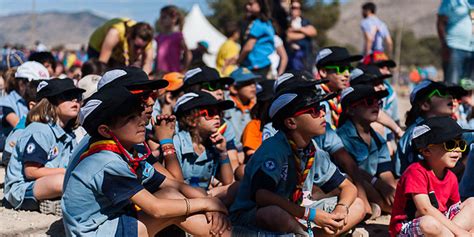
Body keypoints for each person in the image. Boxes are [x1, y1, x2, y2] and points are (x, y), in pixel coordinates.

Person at [62, 86, 232, 236]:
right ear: (106, 131)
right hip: (96, 231)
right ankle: (228, 233)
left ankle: (224, 231)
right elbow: (156, 209)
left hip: (110, 220)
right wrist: (206, 203)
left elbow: (174, 184)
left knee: (172, 195)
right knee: (172, 207)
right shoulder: (106, 161)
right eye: (130, 118)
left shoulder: (126, 150)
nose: (141, 121)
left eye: (138, 114)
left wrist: (210, 205)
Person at [230, 87, 365, 236]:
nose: (323, 113)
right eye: (314, 110)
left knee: (358, 205)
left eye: (321, 108)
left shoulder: (313, 150)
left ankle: (312, 235)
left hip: (297, 213)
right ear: (291, 122)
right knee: (273, 213)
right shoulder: (274, 150)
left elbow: (348, 187)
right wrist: (311, 215)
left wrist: (341, 208)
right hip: (252, 216)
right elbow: (263, 197)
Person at [3, 79, 84, 215]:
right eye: (68, 96)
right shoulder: (40, 130)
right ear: (50, 102)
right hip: (22, 189)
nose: (75, 100)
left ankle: (55, 201)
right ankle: (60, 201)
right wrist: (66, 171)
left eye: (78, 97)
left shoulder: (69, 134)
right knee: (62, 181)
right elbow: (31, 172)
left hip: (45, 185)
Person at [389, 116, 474, 237]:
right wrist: (460, 232)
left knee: (472, 202)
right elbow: (425, 209)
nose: (457, 150)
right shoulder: (415, 171)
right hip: (408, 227)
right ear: (427, 151)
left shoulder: (451, 177)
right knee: (428, 223)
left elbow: (455, 210)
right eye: (450, 144)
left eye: (460, 144)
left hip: (440, 226)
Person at [338, 85, 397, 213]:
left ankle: (387, 207)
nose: (376, 106)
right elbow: (352, 170)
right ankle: (382, 208)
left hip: (373, 183)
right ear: (351, 110)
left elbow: (385, 171)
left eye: (378, 102)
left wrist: (392, 189)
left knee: (397, 188)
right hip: (356, 184)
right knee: (361, 183)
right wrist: (378, 183)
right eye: (369, 102)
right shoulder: (342, 137)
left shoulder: (378, 139)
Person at [173, 91, 237, 205]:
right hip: (181, 196)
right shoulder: (177, 142)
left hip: (206, 194)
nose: (217, 117)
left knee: (236, 186)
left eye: (219, 113)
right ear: (191, 120)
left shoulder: (213, 143)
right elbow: (175, 183)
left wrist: (223, 152)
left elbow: (227, 181)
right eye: (210, 113)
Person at [394, 80, 455, 177]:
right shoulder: (417, 133)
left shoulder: (441, 128)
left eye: (450, 94)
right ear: (425, 105)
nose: (450, 97)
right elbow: (414, 175)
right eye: (441, 93)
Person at [0, 61, 50, 138]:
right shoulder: (6, 102)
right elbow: (20, 127)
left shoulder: (42, 100)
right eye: (36, 85)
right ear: (22, 84)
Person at [88, 18, 154, 74]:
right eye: (137, 47)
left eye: (143, 48)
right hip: (97, 49)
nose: (139, 51)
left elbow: (147, 67)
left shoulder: (146, 40)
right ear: (130, 37)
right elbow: (102, 63)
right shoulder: (115, 33)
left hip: (118, 51)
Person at [437, 0, 474, 84]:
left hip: (472, 50)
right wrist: (444, 46)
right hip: (454, 48)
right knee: (452, 85)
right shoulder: (450, 1)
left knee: (469, 86)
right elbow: (440, 22)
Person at [225, 67, 260, 150]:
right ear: (234, 89)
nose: (253, 86)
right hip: (231, 151)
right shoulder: (225, 106)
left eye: (254, 82)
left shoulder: (257, 105)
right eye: (247, 83)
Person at [238, 0, 275, 77]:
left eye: (251, 4)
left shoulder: (258, 24)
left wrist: (239, 61)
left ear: (260, 5)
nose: (248, 6)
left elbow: (248, 47)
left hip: (256, 65)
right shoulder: (267, 23)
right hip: (265, 63)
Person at [155, 5, 191, 74]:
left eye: (164, 17)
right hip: (160, 75)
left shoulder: (178, 36)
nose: (161, 19)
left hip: (174, 74)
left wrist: (184, 70)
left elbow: (188, 54)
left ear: (174, 18)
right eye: (161, 17)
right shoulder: (159, 37)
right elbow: (157, 57)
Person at [286, 0, 317, 71]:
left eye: (297, 8)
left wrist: (297, 29)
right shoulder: (287, 21)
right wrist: (305, 33)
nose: (295, 10)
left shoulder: (304, 21)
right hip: (291, 56)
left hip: (306, 56)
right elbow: (288, 36)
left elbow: (313, 32)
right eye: (293, 7)